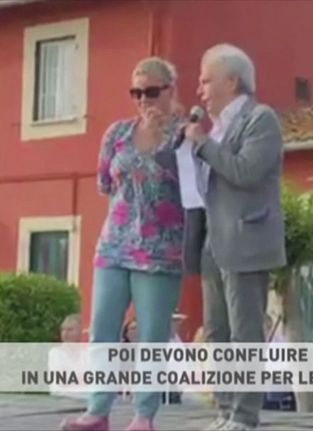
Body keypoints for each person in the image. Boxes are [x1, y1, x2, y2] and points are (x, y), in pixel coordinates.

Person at [60, 57, 185, 431]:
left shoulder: (184, 134)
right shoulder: (117, 133)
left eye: (151, 91)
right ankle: (97, 411)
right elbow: (104, 183)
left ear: (170, 90)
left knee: (151, 335)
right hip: (114, 244)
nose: (143, 99)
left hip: (160, 250)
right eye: (136, 92)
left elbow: (189, 187)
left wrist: (159, 144)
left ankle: (144, 416)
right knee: (103, 328)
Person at [184, 43, 286, 431]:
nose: (200, 90)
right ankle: (225, 410)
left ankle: (245, 416)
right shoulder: (215, 129)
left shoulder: (261, 119)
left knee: (245, 332)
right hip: (215, 242)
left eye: (206, 81)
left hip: (246, 240)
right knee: (217, 332)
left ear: (231, 81)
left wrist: (202, 144)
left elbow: (245, 171)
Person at [49, 314, 87, 400]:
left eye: (70, 330)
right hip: (62, 400)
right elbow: (57, 387)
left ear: (80, 332)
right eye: (63, 330)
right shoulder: (55, 353)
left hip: (85, 400)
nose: (65, 334)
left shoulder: (87, 354)